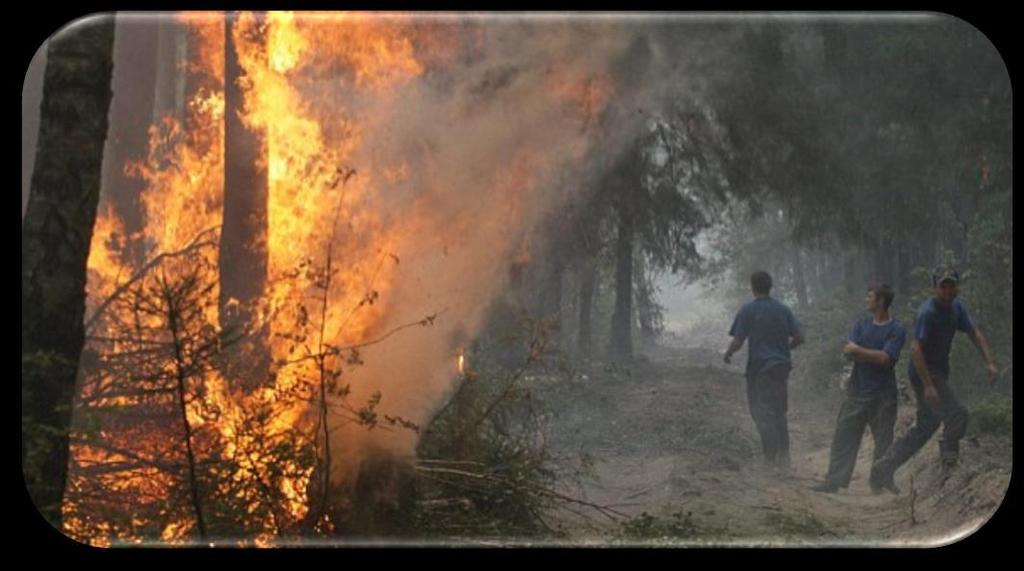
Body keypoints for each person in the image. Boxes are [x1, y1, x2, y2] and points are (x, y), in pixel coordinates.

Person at [870, 266, 999, 493]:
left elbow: (974, 332)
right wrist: (928, 385)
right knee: (958, 412)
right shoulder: (928, 312)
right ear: (935, 288)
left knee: (926, 425)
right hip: (924, 372)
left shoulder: (956, 307)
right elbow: (916, 349)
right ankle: (949, 461)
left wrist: (989, 361)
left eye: (952, 286)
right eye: (943, 286)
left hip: (938, 370)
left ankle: (884, 466)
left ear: (957, 287)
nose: (948, 291)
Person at [812, 284, 905, 494]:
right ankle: (834, 480)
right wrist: (871, 354)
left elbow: (887, 358)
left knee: (883, 440)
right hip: (857, 389)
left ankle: (879, 482)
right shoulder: (861, 324)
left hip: (884, 394)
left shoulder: (896, 329)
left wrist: (860, 352)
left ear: (880, 301)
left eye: (870, 296)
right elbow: (848, 352)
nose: (866, 300)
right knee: (843, 436)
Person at [724, 270, 804, 469]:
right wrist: (785, 349)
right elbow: (799, 337)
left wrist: (728, 354)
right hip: (781, 369)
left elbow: (738, 340)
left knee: (761, 413)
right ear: (770, 286)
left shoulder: (748, 310)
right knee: (778, 412)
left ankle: (769, 461)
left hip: (759, 370)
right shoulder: (783, 309)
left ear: (752, 287)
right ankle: (785, 458)